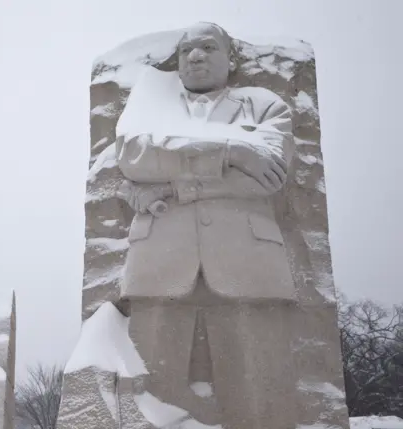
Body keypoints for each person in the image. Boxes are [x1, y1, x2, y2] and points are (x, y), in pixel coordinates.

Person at [116, 22, 298, 429]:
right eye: (186, 51)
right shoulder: (150, 97)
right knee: (151, 389)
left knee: (258, 395)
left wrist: (175, 186)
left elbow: (268, 176)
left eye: (208, 47)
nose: (195, 56)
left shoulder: (264, 104)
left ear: (230, 59)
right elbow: (133, 156)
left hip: (249, 263)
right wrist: (233, 149)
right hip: (158, 262)